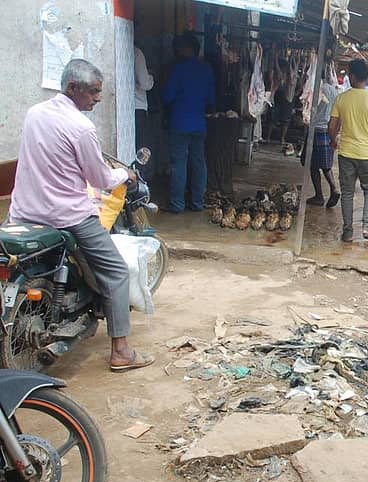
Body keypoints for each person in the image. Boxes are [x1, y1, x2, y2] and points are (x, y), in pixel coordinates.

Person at [8, 59, 154, 372]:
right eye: (93, 92)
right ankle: (122, 351)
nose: (98, 98)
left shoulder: (35, 113)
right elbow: (100, 179)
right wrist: (125, 175)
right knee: (115, 272)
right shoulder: (81, 127)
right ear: (73, 88)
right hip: (66, 216)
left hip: (23, 212)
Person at [328, 59, 368, 243]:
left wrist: (333, 140)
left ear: (352, 76)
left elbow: (332, 127)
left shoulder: (342, 99)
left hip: (346, 153)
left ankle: (347, 232)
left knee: (347, 193)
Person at [163, 33, 215, 213]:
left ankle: (177, 205)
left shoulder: (178, 69)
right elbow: (210, 98)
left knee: (179, 163)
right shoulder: (206, 69)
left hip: (179, 123)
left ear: (187, 48)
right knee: (199, 162)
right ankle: (197, 203)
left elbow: (167, 96)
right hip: (199, 124)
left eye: (179, 47)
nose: (176, 51)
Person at [306, 76, 340, 208]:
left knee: (314, 165)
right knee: (324, 165)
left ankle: (324, 193)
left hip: (316, 129)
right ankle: (327, 191)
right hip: (328, 129)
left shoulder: (317, 89)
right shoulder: (334, 91)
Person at [134, 44, 154, 181]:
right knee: (141, 152)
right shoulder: (137, 53)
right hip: (138, 108)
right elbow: (145, 83)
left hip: (124, 108)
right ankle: (141, 184)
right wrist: (152, 77)